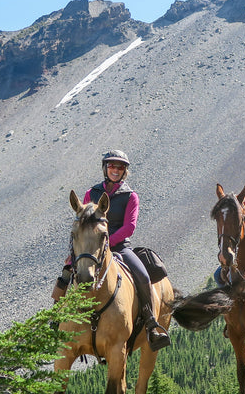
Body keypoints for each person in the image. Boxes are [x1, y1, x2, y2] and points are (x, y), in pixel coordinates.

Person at [51, 150, 170, 352]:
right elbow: (82, 224)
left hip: (120, 247)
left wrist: (108, 243)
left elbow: (129, 227)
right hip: (91, 246)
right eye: (112, 166)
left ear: (125, 171)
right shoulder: (91, 193)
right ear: (105, 168)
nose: (116, 169)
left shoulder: (131, 196)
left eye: (120, 167)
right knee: (66, 272)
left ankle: (151, 324)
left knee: (142, 276)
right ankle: (55, 318)